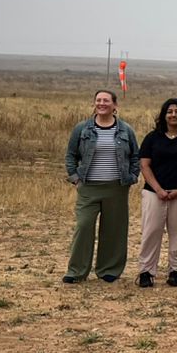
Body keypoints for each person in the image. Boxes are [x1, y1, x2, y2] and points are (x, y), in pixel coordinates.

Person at [63, 90, 140, 283]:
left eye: (106, 100)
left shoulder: (125, 130)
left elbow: (135, 156)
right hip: (88, 187)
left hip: (116, 187)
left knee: (114, 229)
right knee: (84, 226)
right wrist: (75, 179)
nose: (101, 103)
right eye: (98, 100)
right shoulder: (82, 129)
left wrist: (132, 177)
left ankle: (109, 270)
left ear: (115, 105)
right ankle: (76, 271)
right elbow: (71, 155)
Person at [137, 98, 177, 287]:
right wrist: (157, 189)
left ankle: (176, 271)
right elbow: (144, 165)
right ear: (163, 115)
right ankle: (146, 272)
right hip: (153, 193)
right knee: (151, 232)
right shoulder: (152, 138)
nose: (173, 115)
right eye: (169, 112)